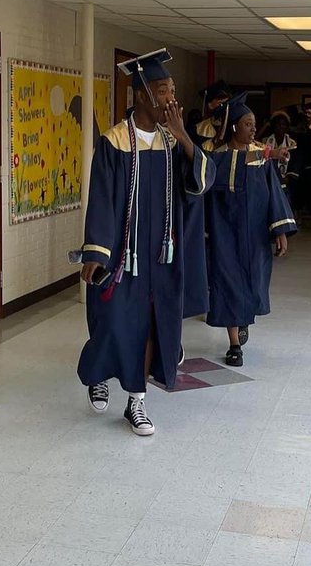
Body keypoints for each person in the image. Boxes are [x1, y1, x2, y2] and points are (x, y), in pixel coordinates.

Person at [77, 50, 214, 436]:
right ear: (141, 96)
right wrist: (97, 251)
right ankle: (98, 373)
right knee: (113, 323)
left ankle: (136, 403)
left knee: (152, 327)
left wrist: (185, 135)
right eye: (162, 90)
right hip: (123, 257)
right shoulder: (115, 142)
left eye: (172, 90)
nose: (170, 99)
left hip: (160, 257)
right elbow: (102, 198)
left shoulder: (173, 144)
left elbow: (203, 183)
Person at [204, 94, 297, 366]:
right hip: (225, 234)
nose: (253, 129)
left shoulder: (260, 159)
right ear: (233, 127)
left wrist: (279, 230)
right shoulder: (217, 157)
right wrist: (269, 152)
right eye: (247, 124)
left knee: (253, 282)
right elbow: (231, 165)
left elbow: (274, 195)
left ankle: (242, 319)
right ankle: (234, 344)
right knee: (228, 284)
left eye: (254, 124)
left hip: (255, 234)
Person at [263, 110, 300, 198]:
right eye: (277, 124)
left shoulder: (292, 144)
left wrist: (287, 178)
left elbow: (295, 164)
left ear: (287, 127)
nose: (280, 127)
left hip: (286, 182)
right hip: (269, 181)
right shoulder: (265, 142)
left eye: (283, 124)